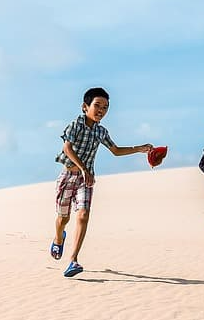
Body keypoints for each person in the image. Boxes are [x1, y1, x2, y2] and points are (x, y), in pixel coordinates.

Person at [50, 87, 155, 278]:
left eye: (105, 107)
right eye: (97, 105)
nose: (101, 110)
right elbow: (67, 148)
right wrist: (83, 167)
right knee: (63, 219)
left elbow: (115, 150)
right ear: (85, 106)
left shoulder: (101, 131)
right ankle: (59, 238)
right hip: (67, 176)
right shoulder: (76, 124)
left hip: (86, 179)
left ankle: (73, 260)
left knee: (83, 215)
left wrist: (139, 148)